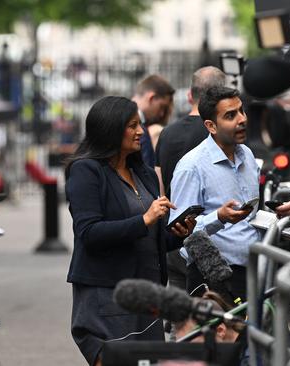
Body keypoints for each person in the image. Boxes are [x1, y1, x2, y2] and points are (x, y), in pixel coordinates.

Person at [65, 96, 195, 366]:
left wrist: (177, 232)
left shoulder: (144, 173)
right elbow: (89, 233)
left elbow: (151, 238)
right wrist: (145, 219)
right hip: (108, 296)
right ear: (110, 129)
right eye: (133, 125)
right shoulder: (86, 171)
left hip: (147, 296)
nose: (141, 132)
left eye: (140, 124)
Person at [170, 86, 261, 301]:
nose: (242, 119)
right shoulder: (191, 166)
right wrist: (218, 218)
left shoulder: (247, 154)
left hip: (254, 274)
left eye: (241, 111)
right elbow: (181, 231)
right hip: (214, 279)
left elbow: (252, 218)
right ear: (211, 126)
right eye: (230, 115)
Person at [154, 66, 227, 297]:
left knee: (180, 315)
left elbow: (159, 186)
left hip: (174, 232)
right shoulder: (217, 133)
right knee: (215, 312)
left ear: (189, 95)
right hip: (211, 239)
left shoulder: (167, 134)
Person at [131, 74, 175, 168]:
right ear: (151, 98)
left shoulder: (128, 119)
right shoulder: (135, 125)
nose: (162, 114)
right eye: (161, 107)